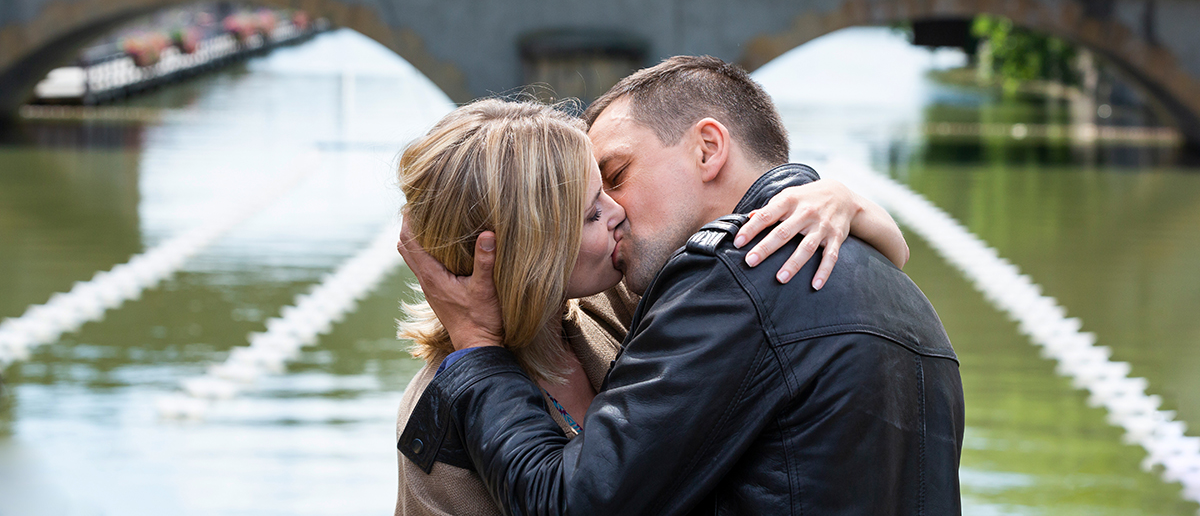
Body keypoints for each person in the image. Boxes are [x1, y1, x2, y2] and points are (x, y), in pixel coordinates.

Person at [399, 56, 965, 515]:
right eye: (591, 207)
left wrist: (834, 193)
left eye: (615, 178)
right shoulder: (891, 287)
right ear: (530, 242)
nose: (615, 210)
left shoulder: (719, 286)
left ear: (708, 148)